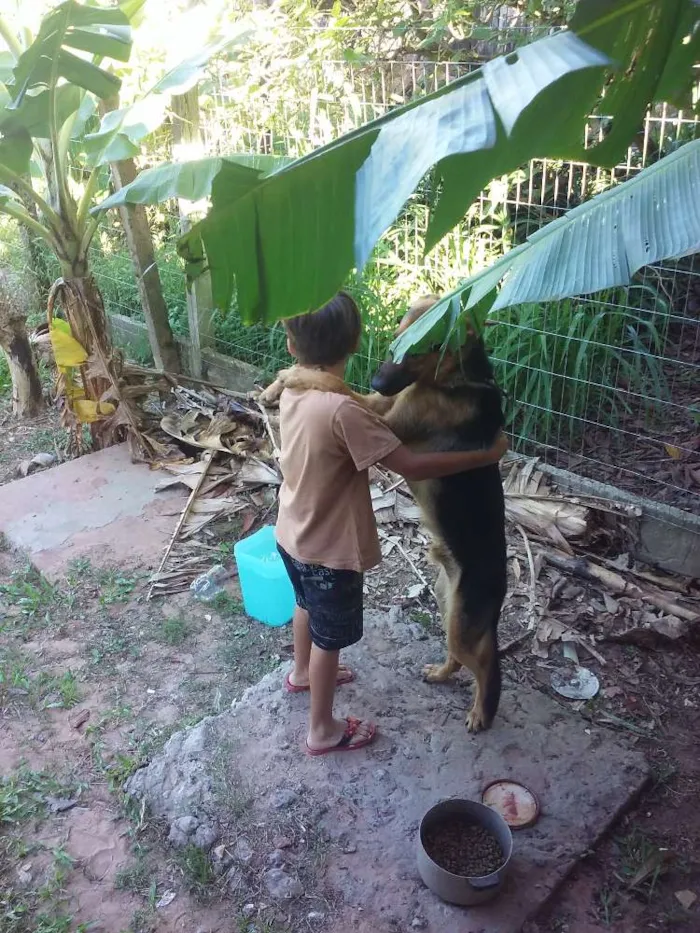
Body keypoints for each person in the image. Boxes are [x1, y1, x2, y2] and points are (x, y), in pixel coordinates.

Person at [274, 292, 508, 756]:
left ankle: (477, 682)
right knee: (330, 635)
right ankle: (322, 728)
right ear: (358, 341)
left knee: (306, 605)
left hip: (293, 532)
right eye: (399, 344)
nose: (394, 366)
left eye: (414, 351)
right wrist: (491, 454)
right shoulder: (349, 408)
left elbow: (370, 412)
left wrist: (295, 377)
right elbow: (404, 458)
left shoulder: (298, 393)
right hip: (329, 548)